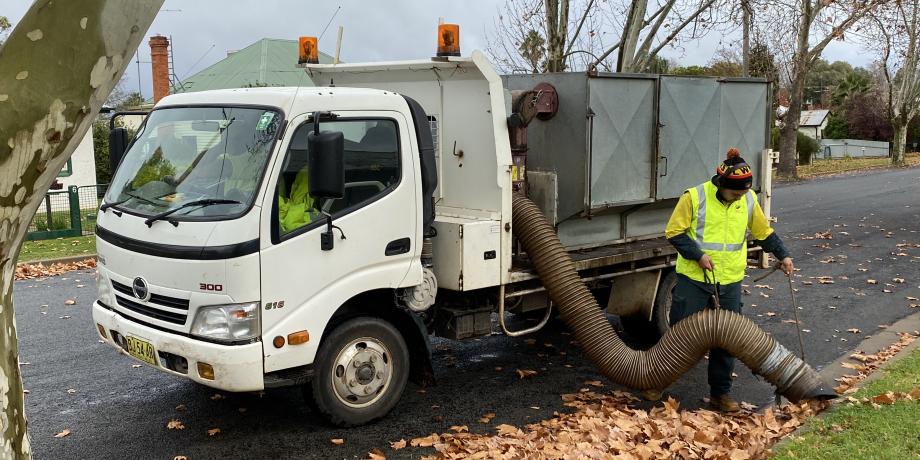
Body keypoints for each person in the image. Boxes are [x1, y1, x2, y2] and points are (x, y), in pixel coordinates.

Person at [664, 147, 794, 412]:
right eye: (735, 192)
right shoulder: (695, 197)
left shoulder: (746, 199)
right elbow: (674, 232)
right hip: (695, 279)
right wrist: (697, 255)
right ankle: (657, 381)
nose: (740, 197)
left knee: (728, 340)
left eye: (744, 192)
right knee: (680, 337)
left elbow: (763, 232)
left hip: (730, 281)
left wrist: (784, 255)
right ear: (720, 184)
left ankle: (720, 395)